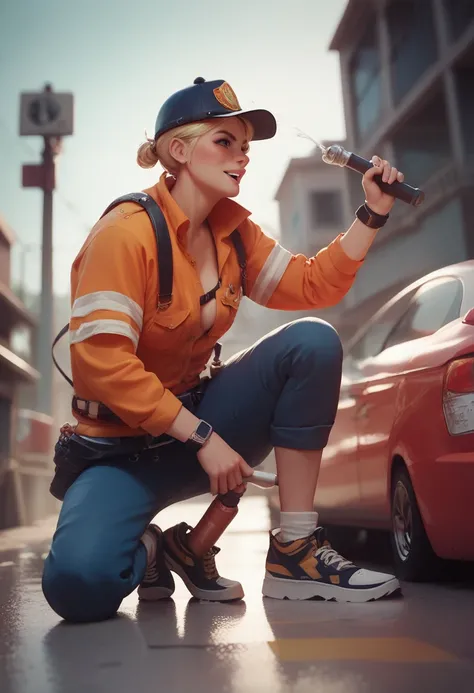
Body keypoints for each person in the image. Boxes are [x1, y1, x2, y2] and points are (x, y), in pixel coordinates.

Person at [42, 77, 405, 623]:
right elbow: (102, 365)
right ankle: (151, 549)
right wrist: (201, 435)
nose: (241, 158)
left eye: (245, 147)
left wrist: (371, 213)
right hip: (118, 452)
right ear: (179, 150)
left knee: (310, 342)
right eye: (225, 142)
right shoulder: (124, 234)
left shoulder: (235, 234)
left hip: (200, 421)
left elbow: (313, 285)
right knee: (77, 586)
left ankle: (295, 550)